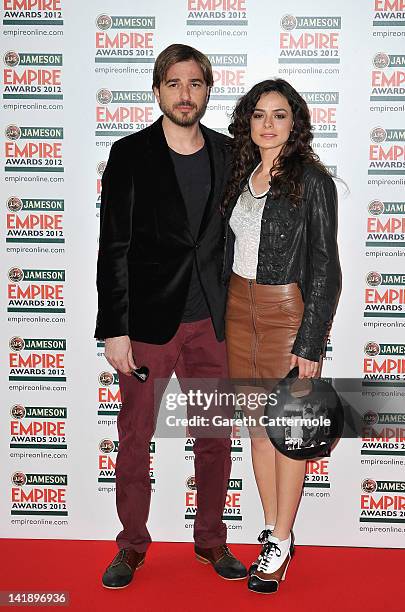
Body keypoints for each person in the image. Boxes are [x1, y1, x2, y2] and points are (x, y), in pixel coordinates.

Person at [95, 43, 247, 589]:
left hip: (213, 322)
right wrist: (114, 327)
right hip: (148, 327)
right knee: (135, 437)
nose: (185, 94)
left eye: (196, 84)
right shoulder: (130, 153)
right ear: (157, 90)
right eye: (174, 83)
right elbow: (112, 246)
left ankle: (211, 540)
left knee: (215, 437)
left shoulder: (232, 155)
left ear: (208, 90)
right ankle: (131, 545)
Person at [222, 78, 341, 594]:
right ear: (248, 122)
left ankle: (281, 536)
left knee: (289, 433)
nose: (267, 124)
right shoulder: (241, 174)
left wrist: (309, 343)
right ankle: (275, 532)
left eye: (279, 115)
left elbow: (326, 269)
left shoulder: (312, 181)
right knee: (256, 429)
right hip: (236, 309)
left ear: (295, 124)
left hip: (285, 313)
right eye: (258, 115)